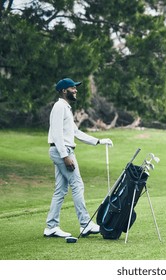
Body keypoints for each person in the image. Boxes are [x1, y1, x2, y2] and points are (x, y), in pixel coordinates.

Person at [44, 78, 113, 238]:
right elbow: (56, 134)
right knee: (77, 185)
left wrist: (98, 141)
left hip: (63, 151)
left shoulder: (66, 108)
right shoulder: (59, 106)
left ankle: (51, 226)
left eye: (75, 88)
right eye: (72, 88)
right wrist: (65, 156)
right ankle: (85, 224)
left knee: (60, 190)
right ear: (63, 91)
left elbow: (75, 132)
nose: (75, 90)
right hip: (63, 151)